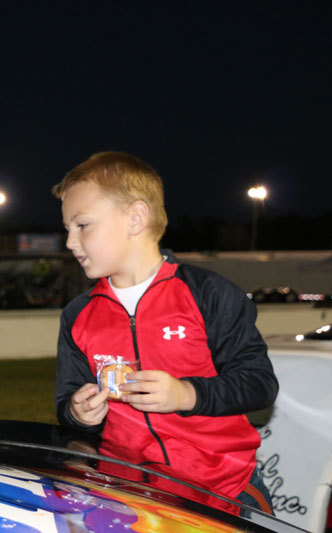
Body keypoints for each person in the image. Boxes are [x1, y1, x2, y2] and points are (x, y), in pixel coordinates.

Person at [52, 151, 279, 513]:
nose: (69, 242)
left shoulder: (208, 293)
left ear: (136, 218)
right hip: (127, 498)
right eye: (67, 229)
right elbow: (67, 405)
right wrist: (78, 413)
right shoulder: (78, 315)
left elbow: (259, 383)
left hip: (224, 491)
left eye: (82, 225)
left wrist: (186, 394)